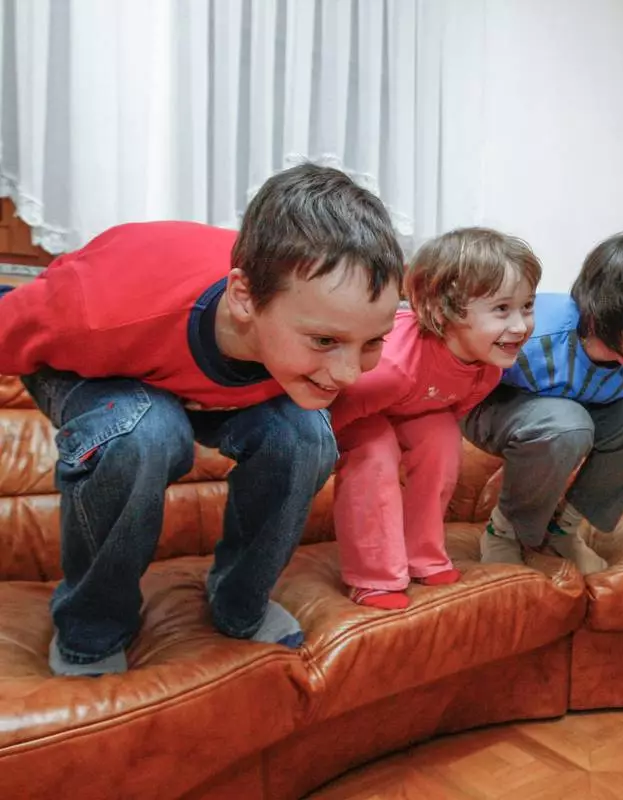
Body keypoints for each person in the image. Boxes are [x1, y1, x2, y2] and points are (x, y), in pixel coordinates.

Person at [0, 163, 404, 676]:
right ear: (244, 299)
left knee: (305, 435)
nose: (348, 373)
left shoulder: (317, 320)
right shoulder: (96, 307)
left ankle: (240, 603)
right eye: (324, 341)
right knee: (143, 431)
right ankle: (90, 628)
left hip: (211, 389)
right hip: (98, 375)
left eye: (371, 343)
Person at [462, 230, 623, 574]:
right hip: (490, 406)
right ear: (605, 317)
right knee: (567, 422)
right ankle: (503, 532)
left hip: (568, 415)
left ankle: (562, 532)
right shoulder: (530, 338)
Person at [329, 228, 541, 610]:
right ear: (443, 311)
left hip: (408, 406)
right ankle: (373, 577)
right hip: (352, 408)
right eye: (501, 309)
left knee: (442, 440)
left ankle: (421, 555)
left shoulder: (489, 369)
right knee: (376, 451)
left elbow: (448, 410)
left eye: (527, 306)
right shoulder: (393, 367)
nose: (520, 325)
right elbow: (329, 417)